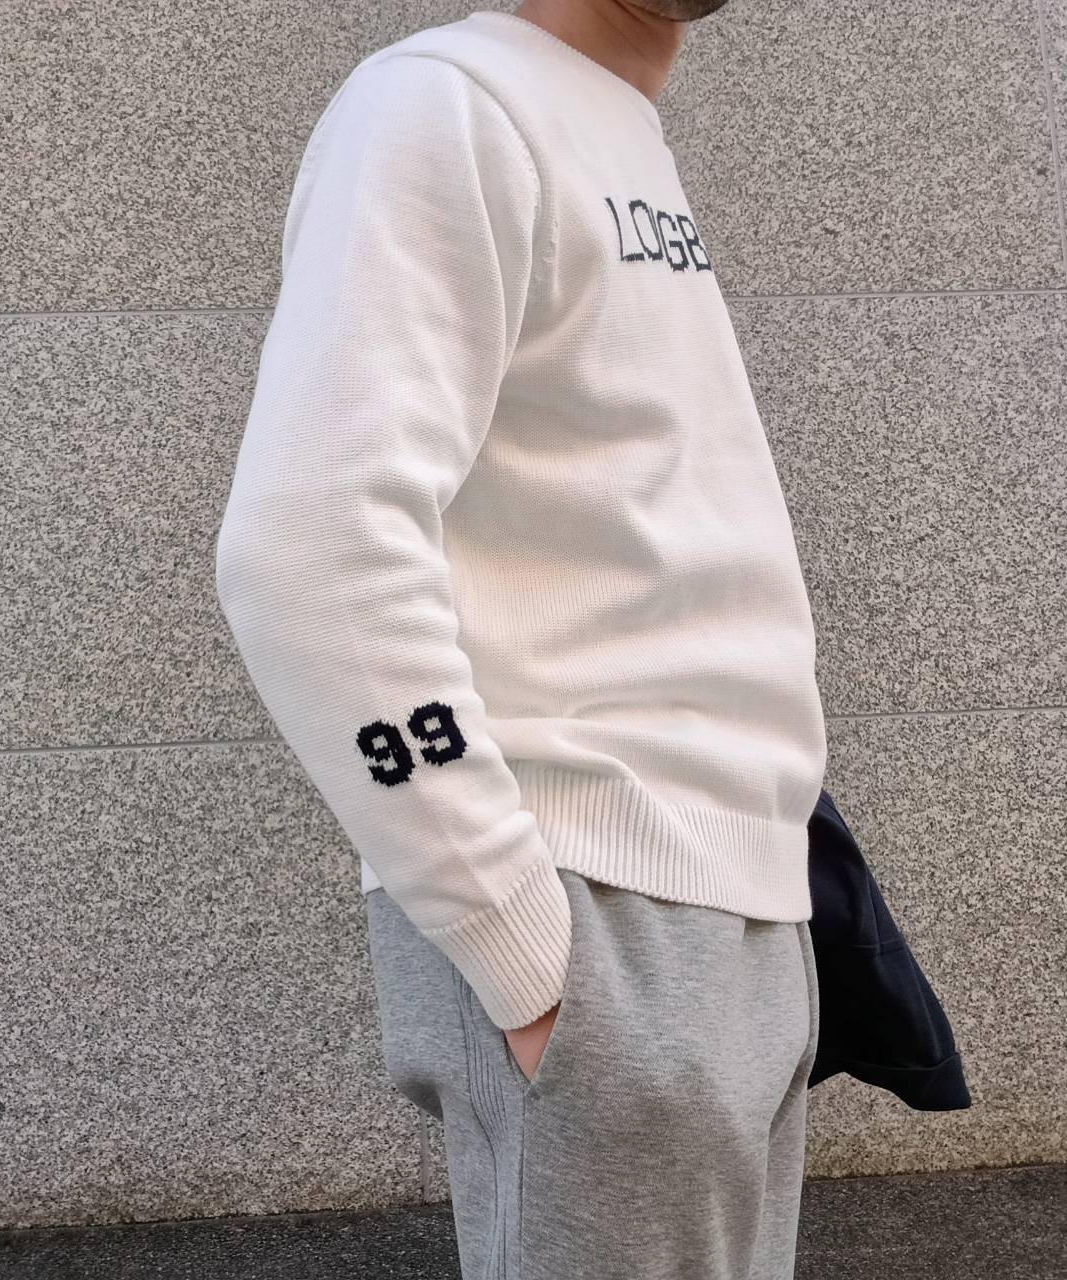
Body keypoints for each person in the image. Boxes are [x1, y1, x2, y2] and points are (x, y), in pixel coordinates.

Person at [215, 2, 823, 1275]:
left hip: (727, 915)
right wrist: (525, 949)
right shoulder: (444, 103)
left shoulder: (606, 123)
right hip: (596, 911)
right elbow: (307, 544)